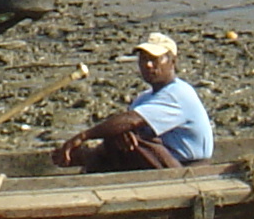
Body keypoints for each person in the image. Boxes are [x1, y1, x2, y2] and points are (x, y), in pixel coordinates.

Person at [53, 31, 215, 171]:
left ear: (173, 62)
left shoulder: (178, 93)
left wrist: (83, 136)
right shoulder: (144, 98)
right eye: (143, 59)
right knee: (116, 136)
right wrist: (122, 133)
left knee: (125, 135)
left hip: (186, 168)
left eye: (155, 59)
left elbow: (131, 120)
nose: (148, 65)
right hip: (157, 162)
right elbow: (126, 126)